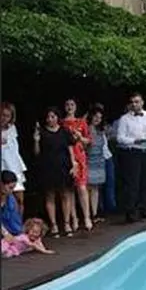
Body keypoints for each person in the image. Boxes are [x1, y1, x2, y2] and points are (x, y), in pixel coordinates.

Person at [116, 93, 146, 223]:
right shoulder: (124, 119)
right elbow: (120, 138)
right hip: (133, 152)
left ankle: (144, 209)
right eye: (132, 102)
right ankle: (131, 211)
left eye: (137, 102)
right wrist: (134, 140)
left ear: (142, 102)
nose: (134, 104)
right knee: (132, 183)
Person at [34, 108, 77, 238]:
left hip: (63, 166)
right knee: (50, 196)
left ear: (58, 117)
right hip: (47, 167)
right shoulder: (42, 132)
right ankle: (54, 225)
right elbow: (37, 153)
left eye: (53, 116)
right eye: (48, 117)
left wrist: (74, 164)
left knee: (65, 194)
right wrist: (36, 140)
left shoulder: (64, 131)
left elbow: (70, 148)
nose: (50, 119)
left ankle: (67, 223)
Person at [62, 98, 93, 232]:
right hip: (65, 157)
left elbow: (88, 141)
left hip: (79, 156)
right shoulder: (61, 123)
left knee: (81, 187)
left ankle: (87, 217)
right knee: (69, 189)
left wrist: (80, 137)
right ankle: (74, 218)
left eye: (72, 104)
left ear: (76, 107)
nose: (70, 107)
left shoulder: (81, 122)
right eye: (67, 104)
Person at [1, 102, 27, 215]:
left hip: (14, 167)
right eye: (2, 115)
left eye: (7, 116)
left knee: (19, 199)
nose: (4, 118)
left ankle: (18, 223)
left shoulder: (12, 128)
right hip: (2, 168)